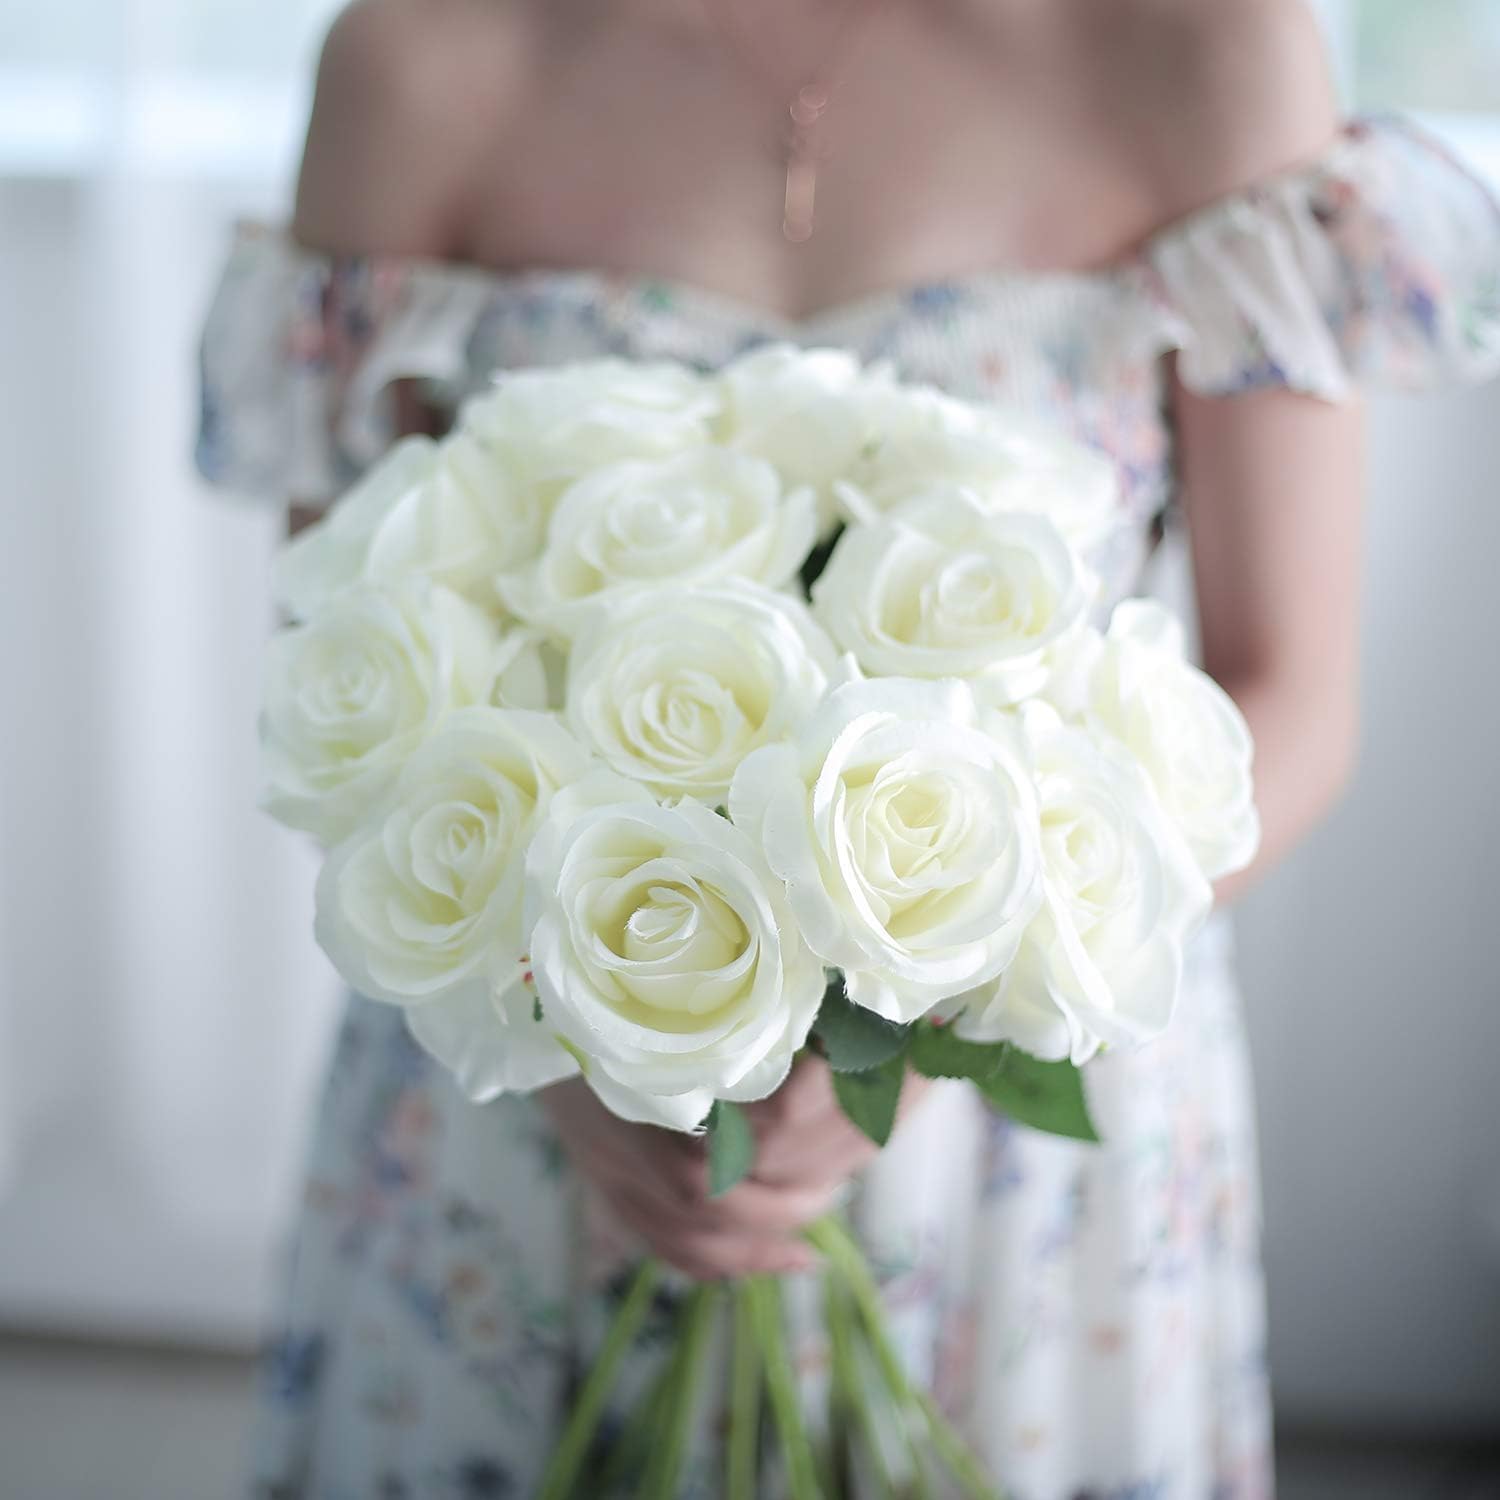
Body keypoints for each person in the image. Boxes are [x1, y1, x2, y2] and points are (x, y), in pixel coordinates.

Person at [196, 0, 1500, 1494]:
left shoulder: (1203, 50)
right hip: (532, 1086)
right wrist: (579, 1056)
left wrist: (926, 1013)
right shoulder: (419, 61)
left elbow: (1293, 701)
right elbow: (342, 686)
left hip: (1011, 1143)